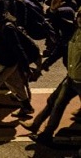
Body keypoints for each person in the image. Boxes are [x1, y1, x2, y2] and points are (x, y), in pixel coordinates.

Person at [23, 8, 81, 145]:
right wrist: (53, 11)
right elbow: (60, 45)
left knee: (57, 103)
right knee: (56, 103)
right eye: (80, 16)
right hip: (71, 78)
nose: (80, 19)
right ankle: (45, 134)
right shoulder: (73, 32)